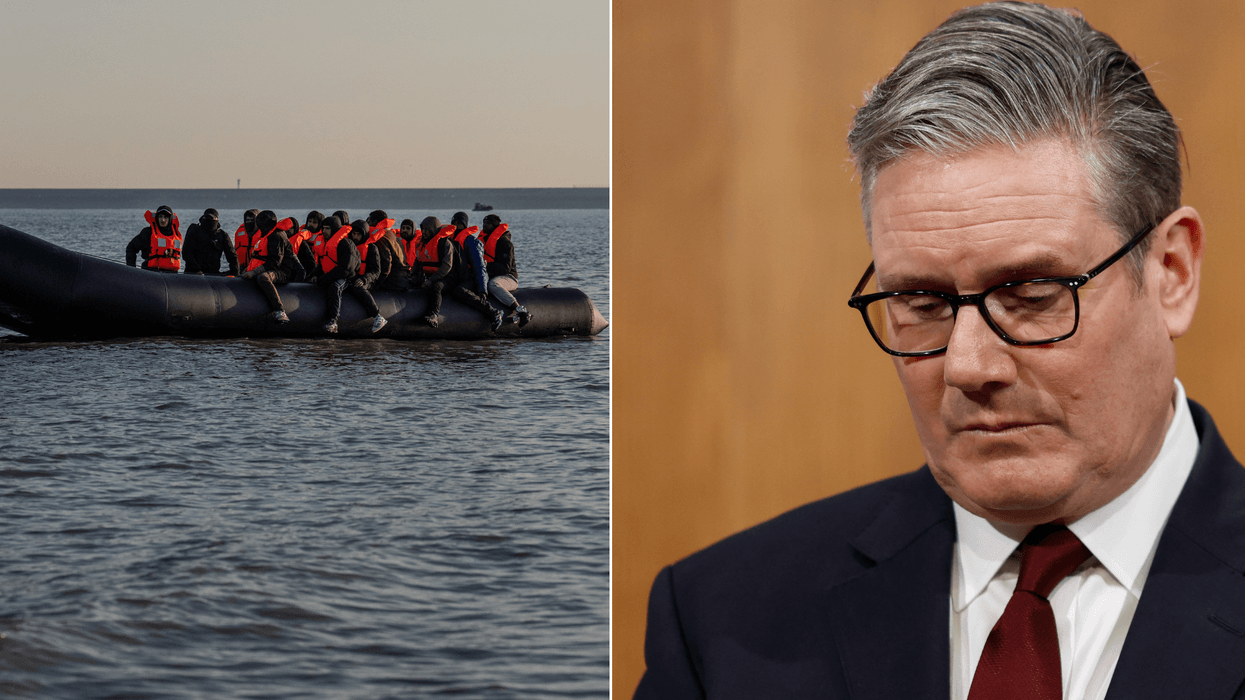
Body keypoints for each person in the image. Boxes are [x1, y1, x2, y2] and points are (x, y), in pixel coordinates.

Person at [635, 4, 1228, 699]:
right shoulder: (721, 617)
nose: (969, 366)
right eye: (922, 304)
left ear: (1171, 274)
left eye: (1033, 293)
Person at [413, 215, 503, 330]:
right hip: (437, 276)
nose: (425, 232)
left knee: (443, 288)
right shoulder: (422, 244)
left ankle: (434, 315)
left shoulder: (449, 243)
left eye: (427, 229)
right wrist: (414, 277)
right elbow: (418, 263)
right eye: (423, 229)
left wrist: (482, 290)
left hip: (454, 277)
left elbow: (476, 267)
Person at [316, 215, 386, 334]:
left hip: (364, 279)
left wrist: (364, 279)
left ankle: (378, 316)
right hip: (351, 277)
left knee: (354, 287)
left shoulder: (371, 248)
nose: (355, 237)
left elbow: (375, 271)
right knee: (347, 285)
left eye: (359, 234)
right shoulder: (344, 245)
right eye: (353, 234)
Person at [238, 210, 297, 323]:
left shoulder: (277, 236)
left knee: (263, 278)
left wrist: (254, 272)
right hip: (271, 268)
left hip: (282, 271)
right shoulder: (266, 236)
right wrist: (248, 270)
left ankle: (280, 311)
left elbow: (275, 263)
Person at [479, 213, 531, 326]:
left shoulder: (505, 243)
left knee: (493, 285)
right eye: (483, 222)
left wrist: (487, 265)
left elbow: (505, 269)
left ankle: (520, 309)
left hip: (509, 278)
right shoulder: (483, 241)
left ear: (495, 226)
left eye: (488, 223)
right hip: (490, 275)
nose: (484, 225)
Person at [181, 208, 239, 276]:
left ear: (217, 220)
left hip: (213, 273)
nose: (210, 220)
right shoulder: (194, 231)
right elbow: (186, 253)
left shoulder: (222, 235)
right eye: (207, 217)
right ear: (203, 218)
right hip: (193, 273)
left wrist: (235, 273)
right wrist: (196, 270)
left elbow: (232, 256)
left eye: (212, 218)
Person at [125, 205, 182, 272]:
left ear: (170, 219)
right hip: (151, 273)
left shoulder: (176, 235)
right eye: (160, 217)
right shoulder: (148, 233)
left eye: (165, 217)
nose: (163, 220)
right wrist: (132, 269)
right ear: (156, 218)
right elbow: (131, 248)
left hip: (172, 274)